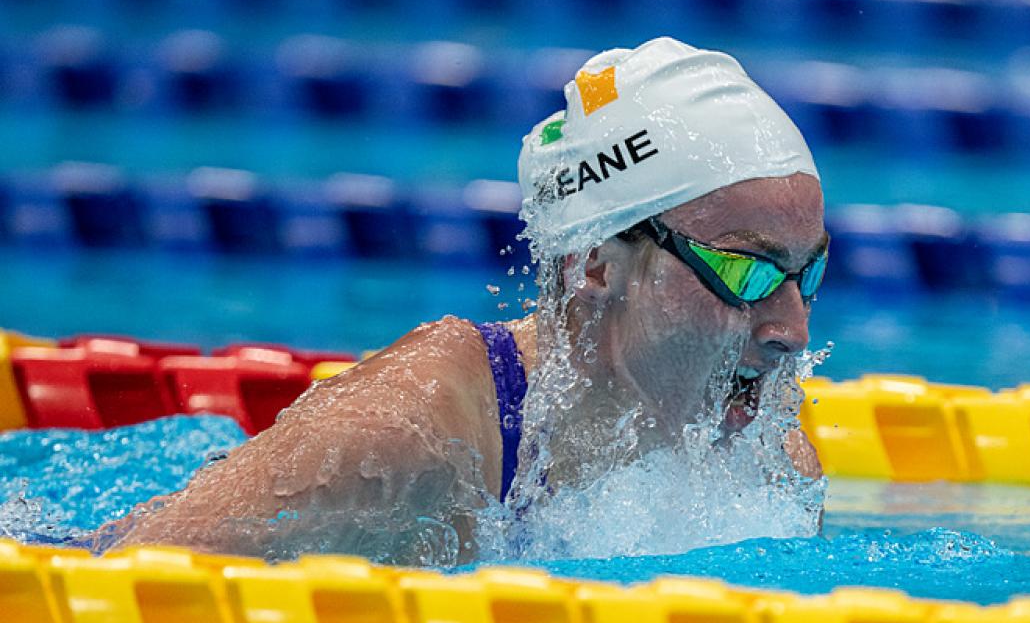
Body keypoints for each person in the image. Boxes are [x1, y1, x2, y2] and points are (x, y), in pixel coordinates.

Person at [101, 37, 829, 565]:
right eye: (749, 273)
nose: (791, 330)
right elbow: (120, 588)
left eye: (809, 273)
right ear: (597, 266)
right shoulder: (409, 436)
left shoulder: (776, 469)